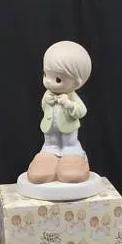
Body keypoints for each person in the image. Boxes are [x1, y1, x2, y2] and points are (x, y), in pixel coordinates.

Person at [26, 40, 94, 185]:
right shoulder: (48, 94)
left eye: (57, 79)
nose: (48, 82)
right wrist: (47, 101)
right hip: (50, 136)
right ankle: (49, 155)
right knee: (49, 145)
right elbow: (44, 107)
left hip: (69, 137)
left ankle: (73, 155)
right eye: (45, 74)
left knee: (69, 152)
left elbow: (82, 111)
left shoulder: (71, 97)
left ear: (77, 83)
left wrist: (69, 105)